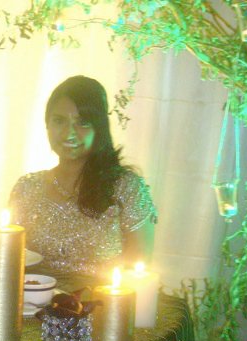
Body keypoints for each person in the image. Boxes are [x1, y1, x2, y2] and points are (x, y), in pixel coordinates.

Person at [9, 75, 156, 277]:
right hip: (35, 295)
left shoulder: (126, 187)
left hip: (102, 296)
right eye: (59, 121)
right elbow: (10, 259)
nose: (68, 133)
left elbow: (137, 269)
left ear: (99, 128)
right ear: (47, 125)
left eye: (83, 122)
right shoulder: (26, 188)